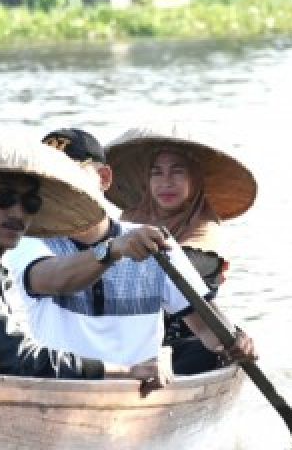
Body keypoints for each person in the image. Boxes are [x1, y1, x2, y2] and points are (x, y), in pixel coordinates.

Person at [0, 136, 171, 394]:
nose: (17, 213)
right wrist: (122, 372)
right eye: (5, 199)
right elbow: (17, 357)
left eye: (31, 203)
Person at [2, 127, 256, 375]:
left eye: (68, 174)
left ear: (103, 179)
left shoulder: (156, 242)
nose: (57, 187)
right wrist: (112, 251)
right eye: (47, 179)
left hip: (144, 389)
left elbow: (206, 328)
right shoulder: (32, 241)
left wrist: (234, 340)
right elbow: (53, 279)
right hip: (63, 383)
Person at [105, 125, 257, 374]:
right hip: (127, 339)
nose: (166, 183)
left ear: (194, 180)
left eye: (177, 172)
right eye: (157, 173)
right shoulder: (131, 219)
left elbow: (163, 275)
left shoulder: (206, 233)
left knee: (205, 354)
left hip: (186, 341)